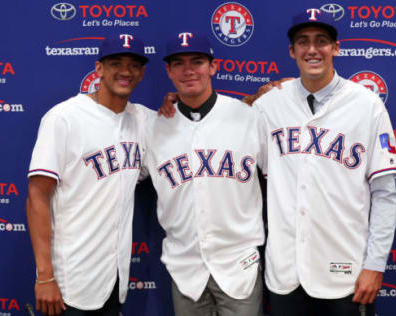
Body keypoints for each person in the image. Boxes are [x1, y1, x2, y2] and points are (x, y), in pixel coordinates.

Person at [249, 10, 396, 316]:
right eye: (303, 42)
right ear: (292, 51)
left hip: (346, 273)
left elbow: (385, 193)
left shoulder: (367, 105)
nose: (313, 49)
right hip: (285, 274)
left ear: (336, 48)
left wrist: (375, 264)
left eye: (322, 41)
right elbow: (220, 133)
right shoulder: (268, 106)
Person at [141, 31, 266, 316]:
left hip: (238, 264)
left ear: (213, 66)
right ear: (168, 71)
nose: (188, 70)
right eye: (179, 63)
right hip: (185, 267)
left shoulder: (250, 116)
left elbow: (282, 174)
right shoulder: (152, 126)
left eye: (197, 61)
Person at [26, 33, 151, 316]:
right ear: (99, 69)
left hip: (115, 278)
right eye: (116, 63)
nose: (125, 71)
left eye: (134, 65)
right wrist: (44, 275)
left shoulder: (143, 119)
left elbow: (195, 121)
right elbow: (37, 195)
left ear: (142, 73)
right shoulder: (64, 118)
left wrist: (257, 97)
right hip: (71, 280)